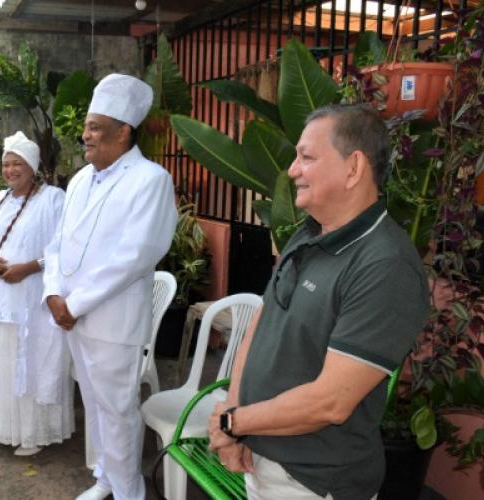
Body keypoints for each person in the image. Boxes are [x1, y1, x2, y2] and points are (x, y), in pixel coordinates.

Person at [207, 104, 430, 499]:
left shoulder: (385, 265)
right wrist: (236, 421)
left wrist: (233, 422)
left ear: (353, 168)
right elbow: (261, 325)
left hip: (311, 483)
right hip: (259, 455)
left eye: (306, 157)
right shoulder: (309, 233)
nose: (292, 170)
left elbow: (330, 402)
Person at [43, 74, 178, 500]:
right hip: (72, 315)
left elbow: (135, 255)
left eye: (95, 127)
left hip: (113, 320)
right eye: (87, 126)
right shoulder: (81, 179)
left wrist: (74, 304)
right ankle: (106, 477)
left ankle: (128, 492)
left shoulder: (150, 179)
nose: (85, 135)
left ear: (123, 132)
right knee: (94, 403)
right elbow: (57, 243)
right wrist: (52, 293)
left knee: (118, 409)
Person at [0, 131, 73, 456]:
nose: (10, 170)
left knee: (31, 361)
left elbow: (64, 248)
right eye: (6, 164)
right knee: (2, 363)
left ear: (32, 167)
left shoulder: (53, 199)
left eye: (17, 163)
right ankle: (2, 428)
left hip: (32, 299)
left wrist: (27, 268)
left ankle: (33, 434)